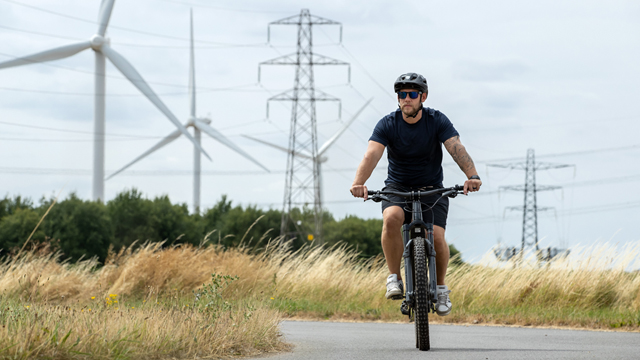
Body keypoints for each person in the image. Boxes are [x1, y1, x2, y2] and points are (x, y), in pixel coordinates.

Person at [349, 72, 481, 316]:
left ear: (423, 97)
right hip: (397, 187)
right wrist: (359, 183)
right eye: (402, 94)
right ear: (397, 98)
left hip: (432, 188)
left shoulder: (436, 120)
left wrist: (472, 176)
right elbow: (372, 154)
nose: (406, 99)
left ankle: (441, 288)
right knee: (391, 219)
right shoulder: (388, 124)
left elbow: (455, 147)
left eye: (411, 94)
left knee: (438, 238)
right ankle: (394, 278)